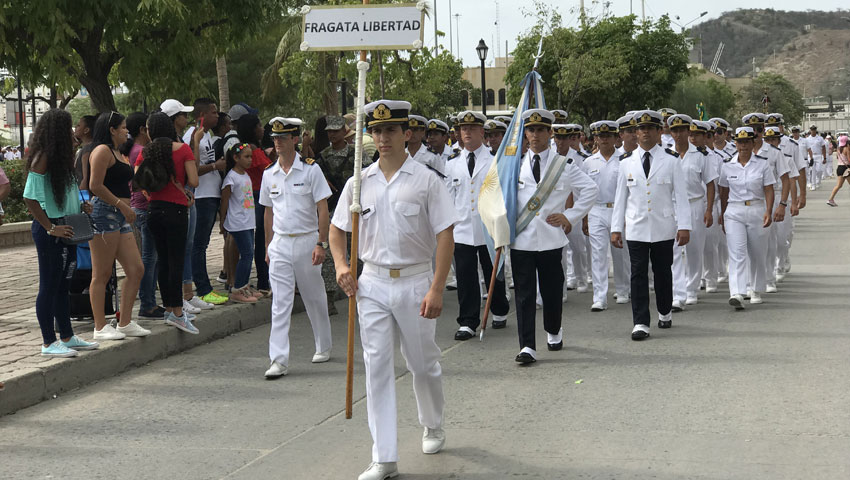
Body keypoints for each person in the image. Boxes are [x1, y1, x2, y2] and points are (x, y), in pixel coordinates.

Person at [330, 100, 457, 480]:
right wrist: (341, 265)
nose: (383, 138)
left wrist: (437, 288)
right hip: (371, 284)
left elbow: (445, 234)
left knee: (421, 363)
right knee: (378, 367)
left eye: (391, 131)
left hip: (416, 280)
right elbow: (338, 231)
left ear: (407, 133)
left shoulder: (426, 179)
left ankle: (433, 422)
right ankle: (384, 456)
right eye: (377, 131)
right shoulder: (359, 182)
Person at [512, 109, 597, 363]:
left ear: (550, 133)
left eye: (540, 130)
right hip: (522, 240)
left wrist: (569, 216)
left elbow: (591, 189)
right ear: (525, 134)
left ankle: (553, 331)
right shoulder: (514, 165)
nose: (535, 135)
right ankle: (527, 345)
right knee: (524, 294)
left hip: (550, 239)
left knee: (551, 292)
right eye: (531, 130)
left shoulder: (564, 165)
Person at [22, 108, 100, 357]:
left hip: (67, 225)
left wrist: (81, 206)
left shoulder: (62, 158)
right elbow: (29, 198)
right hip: (52, 230)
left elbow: (64, 194)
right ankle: (48, 342)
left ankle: (66, 336)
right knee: (49, 285)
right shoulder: (43, 158)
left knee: (63, 284)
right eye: (67, 127)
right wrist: (50, 227)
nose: (72, 132)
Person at [260, 117, 333, 378]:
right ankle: (278, 360)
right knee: (280, 302)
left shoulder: (311, 170)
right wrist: (269, 246)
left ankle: (323, 344)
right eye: (274, 138)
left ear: (295, 139)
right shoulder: (269, 174)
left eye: (283, 137)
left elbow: (322, 208)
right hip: (281, 242)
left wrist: (321, 242)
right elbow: (268, 213)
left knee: (314, 296)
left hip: (306, 239)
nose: (277, 142)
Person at [611, 110, 691, 341]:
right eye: (641, 129)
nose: (645, 132)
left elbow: (681, 196)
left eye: (650, 128)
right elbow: (620, 198)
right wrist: (616, 228)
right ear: (635, 133)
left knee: (662, 272)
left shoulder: (672, 160)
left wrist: (684, 226)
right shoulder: (626, 162)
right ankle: (640, 322)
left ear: (659, 132)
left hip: (663, 225)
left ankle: (664, 311)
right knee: (637, 274)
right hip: (636, 226)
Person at [445, 110, 510, 340]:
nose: (468, 133)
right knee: (465, 277)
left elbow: (502, 194)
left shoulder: (494, 162)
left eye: (472, 129)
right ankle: (468, 321)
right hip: (462, 229)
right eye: (464, 129)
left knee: (494, 271)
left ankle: (499, 309)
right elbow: (448, 198)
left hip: (488, 228)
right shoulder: (452, 164)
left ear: (482, 132)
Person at [87, 112, 149, 340]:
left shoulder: (117, 152)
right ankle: (100, 327)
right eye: (123, 127)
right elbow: (95, 185)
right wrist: (121, 206)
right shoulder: (102, 151)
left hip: (121, 215)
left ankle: (125, 322)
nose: (126, 131)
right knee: (101, 273)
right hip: (106, 214)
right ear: (112, 129)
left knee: (136, 269)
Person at [143, 112, 200, 333]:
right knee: (176, 261)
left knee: (163, 261)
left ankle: (168, 308)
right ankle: (177, 313)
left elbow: (140, 183)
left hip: (154, 210)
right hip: (176, 210)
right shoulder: (183, 149)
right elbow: (194, 180)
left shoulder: (148, 152)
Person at [718, 127, 775, 309]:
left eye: (746, 142)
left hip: (757, 208)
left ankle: (755, 289)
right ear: (735, 143)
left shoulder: (762, 164)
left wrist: (769, 210)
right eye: (740, 142)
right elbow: (724, 191)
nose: (743, 146)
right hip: (734, 211)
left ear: (753, 143)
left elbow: (768, 189)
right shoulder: (727, 164)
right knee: (737, 252)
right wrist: (722, 213)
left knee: (757, 252)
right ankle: (737, 292)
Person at [666, 115, 716, 310]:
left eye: (682, 130)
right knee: (674, 250)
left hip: (695, 204)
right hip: (672, 206)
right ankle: (678, 293)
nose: (679, 134)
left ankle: (692, 289)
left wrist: (709, 209)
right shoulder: (666, 154)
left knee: (694, 249)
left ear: (688, 131)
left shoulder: (701, 155)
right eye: (675, 131)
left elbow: (711, 184)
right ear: (671, 133)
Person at [183, 98, 228, 307]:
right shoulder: (193, 136)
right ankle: (202, 289)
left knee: (202, 244)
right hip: (200, 196)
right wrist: (215, 167)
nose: (217, 116)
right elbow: (191, 167)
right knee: (198, 245)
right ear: (201, 116)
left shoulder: (207, 135)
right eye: (213, 112)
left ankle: (203, 287)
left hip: (210, 195)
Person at [583, 120, 630, 311]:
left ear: (615, 138)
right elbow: (583, 193)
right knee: (598, 254)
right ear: (595, 138)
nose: (604, 140)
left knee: (620, 253)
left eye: (608, 136)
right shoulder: (588, 162)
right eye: (600, 136)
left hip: (619, 210)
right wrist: (584, 217)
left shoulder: (625, 160)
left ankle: (623, 290)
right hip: (596, 210)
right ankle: (599, 297)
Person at [124, 112, 163, 319]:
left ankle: (150, 301)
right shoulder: (141, 151)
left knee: (149, 257)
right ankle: (147, 303)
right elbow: (145, 183)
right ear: (142, 130)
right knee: (150, 258)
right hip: (144, 207)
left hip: (138, 207)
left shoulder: (133, 150)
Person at [237, 113, 273, 296]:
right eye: (259, 125)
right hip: (258, 196)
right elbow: (271, 169)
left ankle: (260, 281)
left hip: (251, 196)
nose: (262, 129)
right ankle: (263, 281)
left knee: (257, 240)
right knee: (262, 240)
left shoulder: (248, 149)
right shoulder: (255, 152)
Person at [219, 142, 258, 303]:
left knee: (249, 254)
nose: (250, 160)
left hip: (248, 221)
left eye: (251, 156)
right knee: (247, 254)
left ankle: (244, 286)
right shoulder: (231, 178)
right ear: (236, 158)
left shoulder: (245, 175)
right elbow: (225, 201)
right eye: (246, 157)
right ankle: (238, 288)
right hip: (238, 223)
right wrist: (222, 222)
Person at [73, 114, 97, 191]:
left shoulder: (87, 150)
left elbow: (85, 179)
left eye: (79, 125)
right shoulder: (86, 147)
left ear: (86, 130)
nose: (76, 127)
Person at [827, 134, 849, 206]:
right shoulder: (847, 148)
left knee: (838, 185)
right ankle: (830, 199)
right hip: (846, 168)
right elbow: (849, 159)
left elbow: (837, 157)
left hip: (839, 168)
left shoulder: (838, 149)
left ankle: (830, 199)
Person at [806, 125, 827, 190]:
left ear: (816, 130)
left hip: (818, 155)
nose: (813, 131)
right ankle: (813, 185)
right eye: (812, 129)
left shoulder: (820, 138)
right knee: (812, 170)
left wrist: (824, 157)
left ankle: (818, 182)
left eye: (814, 129)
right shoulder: (807, 139)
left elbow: (823, 148)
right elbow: (806, 149)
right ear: (810, 130)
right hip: (811, 156)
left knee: (819, 170)